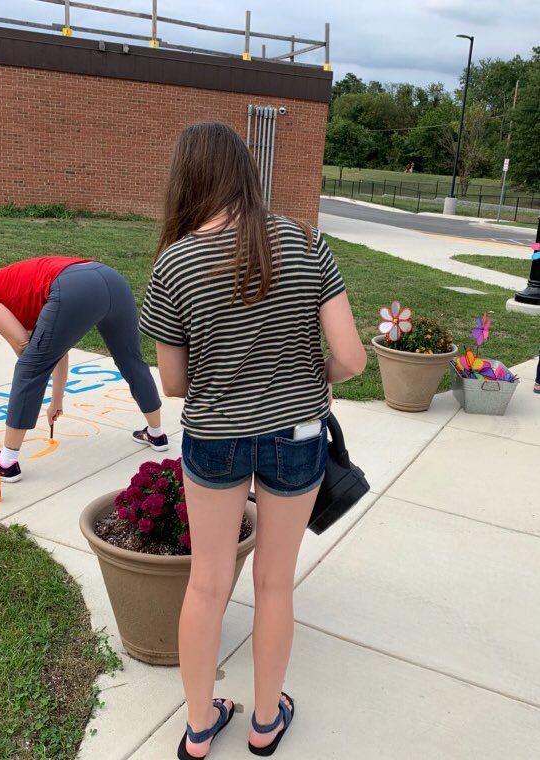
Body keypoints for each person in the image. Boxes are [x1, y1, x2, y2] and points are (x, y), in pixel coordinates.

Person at [140, 122, 366, 759]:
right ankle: (266, 723)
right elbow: (351, 357)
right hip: (297, 436)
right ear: (245, 171)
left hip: (215, 437)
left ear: (187, 178)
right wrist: (311, 379)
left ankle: (199, 727)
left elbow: (176, 382)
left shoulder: (174, 262)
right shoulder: (305, 241)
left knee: (207, 584)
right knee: (274, 581)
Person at [0, 256, 168, 482]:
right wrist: (56, 400)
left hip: (74, 285)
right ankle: (156, 434)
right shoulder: (15, 285)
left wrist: (36, 366)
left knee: (28, 367)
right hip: (111, 279)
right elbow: (57, 350)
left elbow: (23, 345)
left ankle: (5, 462)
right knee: (131, 359)